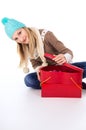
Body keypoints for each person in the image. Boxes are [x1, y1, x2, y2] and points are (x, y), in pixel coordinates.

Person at [1, 17, 86, 89]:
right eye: (16, 38)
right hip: (49, 74)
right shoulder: (25, 47)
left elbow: (67, 52)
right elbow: (34, 63)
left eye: (20, 33)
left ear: (24, 28)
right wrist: (39, 70)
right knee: (28, 80)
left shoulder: (46, 35)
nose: (21, 39)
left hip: (63, 69)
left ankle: (60, 82)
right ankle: (68, 82)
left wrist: (64, 57)